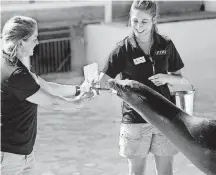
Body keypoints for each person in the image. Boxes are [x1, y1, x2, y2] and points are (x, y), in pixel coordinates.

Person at [90, 0, 188, 175]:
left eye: (144, 21)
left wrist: (166, 77)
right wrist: (91, 84)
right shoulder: (123, 49)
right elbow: (103, 81)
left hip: (165, 118)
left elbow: (180, 79)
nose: (138, 26)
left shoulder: (165, 44)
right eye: (135, 20)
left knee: (166, 172)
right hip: (135, 120)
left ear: (154, 20)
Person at [1, 16, 91, 175]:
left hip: (22, 153)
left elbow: (47, 86)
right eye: (34, 39)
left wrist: (78, 89)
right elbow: (53, 103)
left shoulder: (8, 61)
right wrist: (78, 103)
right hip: (10, 157)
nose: (37, 43)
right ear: (21, 41)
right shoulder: (17, 74)